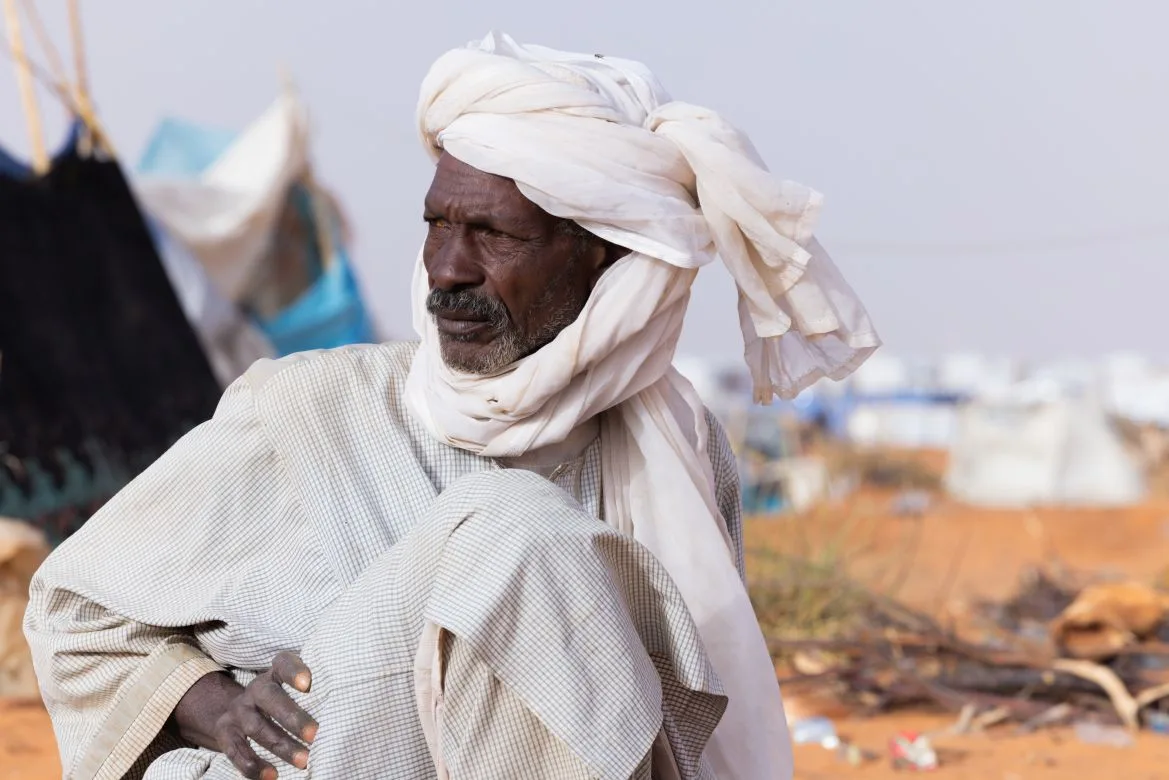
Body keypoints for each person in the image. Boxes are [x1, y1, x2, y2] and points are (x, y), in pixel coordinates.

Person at [24, 31, 880, 780]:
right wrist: (211, 703)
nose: (447, 269)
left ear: (601, 259)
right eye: (437, 224)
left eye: (493, 235)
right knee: (516, 529)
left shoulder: (679, 453)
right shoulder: (309, 410)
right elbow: (74, 610)